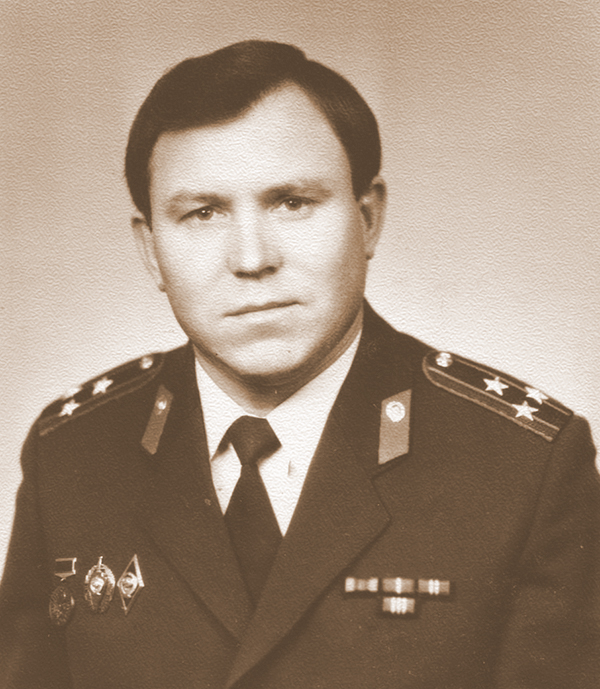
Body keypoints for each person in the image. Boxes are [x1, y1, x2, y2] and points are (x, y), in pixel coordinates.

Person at [0, 39, 598, 689]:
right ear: (151, 251)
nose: (252, 259)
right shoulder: (72, 455)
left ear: (368, 219)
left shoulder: (521, 466)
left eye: (291, 202)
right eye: (202, 213)